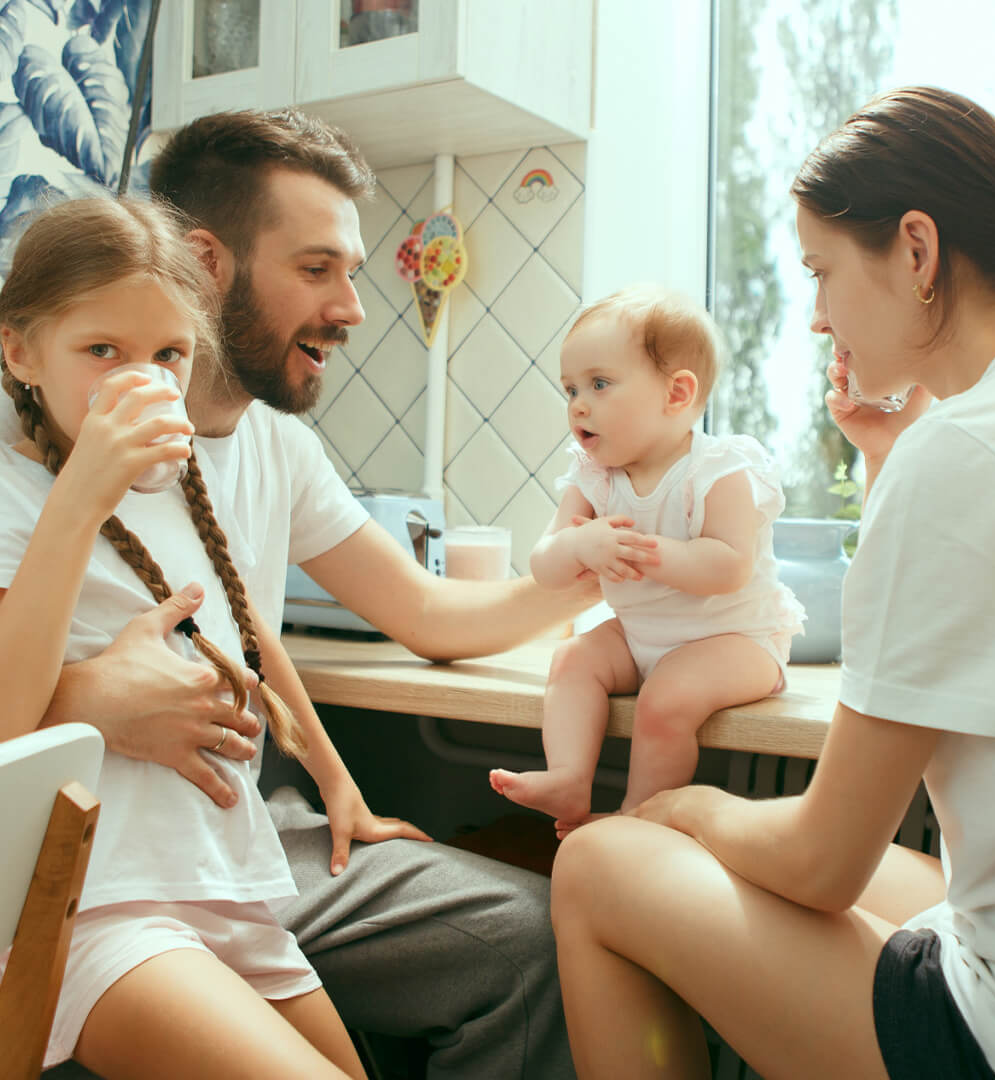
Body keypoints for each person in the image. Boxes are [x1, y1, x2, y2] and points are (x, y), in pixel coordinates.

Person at [18, 109, 592, 1080]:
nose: (352, 307)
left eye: (164, 355)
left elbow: (396, 616)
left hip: (239, 847)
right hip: (100, 874)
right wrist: (84, 704)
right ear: (208, 263)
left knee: (533, 941)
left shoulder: (266, 448)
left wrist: (594, 563)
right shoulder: (26, 458)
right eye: (317, 268)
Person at [549, 85, 995, 1080]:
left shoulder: (962, 452)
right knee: (917, 873)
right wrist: (888, 461)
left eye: (823, 272)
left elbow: (820, 866)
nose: (818, 317)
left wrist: (686, 812)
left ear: (916, 252)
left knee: (597, 862)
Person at [0, 196, 413, 1077]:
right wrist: (82, 493)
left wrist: (338, 782)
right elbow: (5, 716)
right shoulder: (12, 495)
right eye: (101, 351)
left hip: (224, 886)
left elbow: (245, 627)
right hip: (91, 905)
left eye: (168, 355)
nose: (139, 378)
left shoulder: (183, 487)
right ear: (19, 350)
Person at [489, 286, 804, 834]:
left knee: (665, 700)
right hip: (640, 638)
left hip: (736, 641)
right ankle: (567, 778)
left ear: (677, 394)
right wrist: (578, 547)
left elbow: (729, 565)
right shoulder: (594, 475)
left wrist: (648, 553)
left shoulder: (718, 467)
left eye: (600, 384)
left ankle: (641, 816)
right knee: (571, 661)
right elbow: (544, 564)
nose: (578, 405)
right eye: (570, 389)